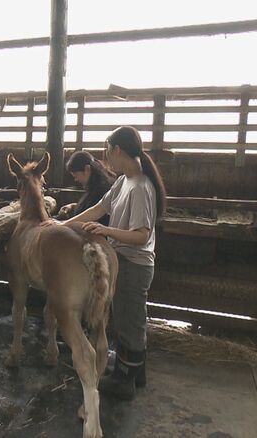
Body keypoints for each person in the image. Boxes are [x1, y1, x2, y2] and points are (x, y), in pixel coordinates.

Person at [58, 126, 167, 400]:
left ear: (118, 150)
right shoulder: (122, 182)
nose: (106, 159)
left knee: (129, 323)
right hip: (123, 260)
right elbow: (98, 209)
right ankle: (135, 374)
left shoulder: (140, 187)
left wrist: (106, 231)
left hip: (134, 264)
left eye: (108, 152)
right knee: (128, 319)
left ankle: (124, 380)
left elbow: (141, 235)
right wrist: (62, 226)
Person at [56, 150, 116, 225]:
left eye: (76, 176)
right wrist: (73, 206)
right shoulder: (94, 186)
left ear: (87, 169)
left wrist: (63, 223)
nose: (76, 180)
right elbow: (89, 207)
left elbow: (93, 212)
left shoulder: (101, 190)